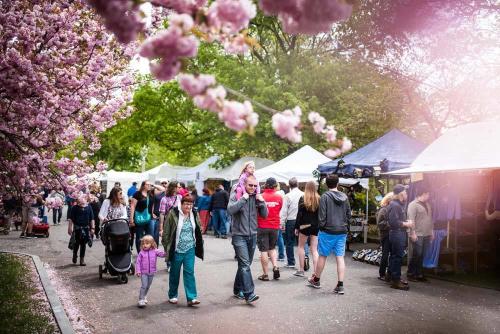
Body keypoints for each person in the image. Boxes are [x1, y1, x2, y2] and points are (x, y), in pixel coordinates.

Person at [227, 175, 268, 304]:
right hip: (239, 235)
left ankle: (237, 289)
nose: (253, 188)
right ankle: (249, 294)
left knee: (245, 265)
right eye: (251, 185)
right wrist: (243, 199)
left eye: (255, 186)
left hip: (253, 235)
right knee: (245, 265)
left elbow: (265, 215)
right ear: (244, 184)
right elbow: (230, 210)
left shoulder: (256, 197)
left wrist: (261, 202)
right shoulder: (237, 194)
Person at [307, 174, 350, 295]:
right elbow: (348, 214)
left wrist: (322, 227)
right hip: (342, 231)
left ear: (326, 184)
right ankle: (340, 285)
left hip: (327, 231)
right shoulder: (344, 197)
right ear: (338, 183)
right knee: (340, 257)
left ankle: (316, 280)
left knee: (323, 256)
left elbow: (322, 216)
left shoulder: (325, 196)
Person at [161, 195, 204, 306]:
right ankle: (173, 295)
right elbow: (166, 231)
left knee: (189, 272)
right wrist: (167, 247)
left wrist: (200, 242)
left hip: (190, 248)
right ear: (182, 203)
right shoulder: (173, 213)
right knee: (175, 273)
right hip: (177, 249)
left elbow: (198, 228)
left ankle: (192, 297)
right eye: (186, 203)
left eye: (190, 204)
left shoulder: (194, 213)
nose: (188, 206)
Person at [388, 184, 414, 290]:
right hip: (397, 233)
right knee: (397, 257)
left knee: (395, 256)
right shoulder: (395, 205)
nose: (407, 193)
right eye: (405, 192)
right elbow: (393, 222)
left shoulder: (397, 204)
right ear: (401, 193)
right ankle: (396, 280)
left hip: (397, 233)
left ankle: (393, 277)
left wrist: (404, 223)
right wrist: (406, 224)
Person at [256, 177, 283, 281]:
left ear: (266, 185)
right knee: (272, 248)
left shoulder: (260, 196)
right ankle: (275, 266)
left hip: (262, 226)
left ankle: (265, 274)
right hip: (275, 226)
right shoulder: (279, 197)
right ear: (275, 185)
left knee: (263, 250)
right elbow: (279, 209)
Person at [294, 181, 320, 277]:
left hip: (304, 225)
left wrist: (296, 227)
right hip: (315, 225)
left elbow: (299, 215)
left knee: (301, 247)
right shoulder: (319, 199)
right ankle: (316, 273)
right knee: (314, 249)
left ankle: (301, 270)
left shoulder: (303, 198)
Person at [407, 187, 433, 282]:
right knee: (417, 254)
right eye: (428, 194)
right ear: (423, 193)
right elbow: (411, 219)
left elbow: (430, 219)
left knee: (422, 254)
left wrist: (432, 231)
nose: (429, 195)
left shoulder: (427, 204)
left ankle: (419, 273)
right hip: (417, 233)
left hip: (426, 233)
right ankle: (410, 273)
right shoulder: (413, 205)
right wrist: (412, 233)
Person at [135, 235, 166, 308]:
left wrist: (167, 252)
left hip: (151, 272)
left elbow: (162, 254)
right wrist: (138, 271)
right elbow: (138, 262)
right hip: (144, 273)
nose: (144, 245)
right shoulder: (141, 253)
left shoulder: (155, 251)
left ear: (151, 244)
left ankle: (144, 295)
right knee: (144, 285)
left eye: (146, 243)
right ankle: (141, 299)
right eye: (143, 243)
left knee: (148, 286)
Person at [280, 177, 303, 268]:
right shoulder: (304, 194)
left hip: (291, 220)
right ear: (297, 184)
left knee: (289, 242)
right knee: (302, 243)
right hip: (302, 221)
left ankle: (291, 262)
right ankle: (304, 260)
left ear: (289, 185)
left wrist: (281, 223)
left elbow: (284, 211)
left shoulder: (287, 196)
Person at [68, 196, 95, 266]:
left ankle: (82, 259)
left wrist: (93, 228)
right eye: (79, 203)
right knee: (76, 243)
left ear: (86, 201)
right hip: (77, 228)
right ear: (77, 202)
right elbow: (71, 219)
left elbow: (92, 218)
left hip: (86, 228)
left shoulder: (89, 207)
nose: (81, 205)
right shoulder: (74, 208)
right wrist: (69, 228)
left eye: (82, 203)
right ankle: (74, 254)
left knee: (83, 244)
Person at [130, 181, 156, 252]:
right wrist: (131, 219)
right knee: (139, 237)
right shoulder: (137, 194)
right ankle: (140, 253)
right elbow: (132, 206)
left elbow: (152, 204)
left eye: (150, 185)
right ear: (143, 185)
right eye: (147, 184)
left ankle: (149, 252)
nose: (149, 186)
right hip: (139, 218)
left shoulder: (151, 194)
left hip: (150, 218)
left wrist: (152, 213)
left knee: (150, 236)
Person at [377, 192, 394, 281]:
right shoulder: (383, 209)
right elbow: (380, 223)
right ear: (389, 200)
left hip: (392, 234)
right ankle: (382, 273)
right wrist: (391, 224)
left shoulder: (393, 209)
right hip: (386, 235)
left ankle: (389, 273)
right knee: (385, 254)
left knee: (392, 255)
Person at [151, 180, 168, 246]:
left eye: (165, 183)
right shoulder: (157, 192)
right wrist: (152, 213)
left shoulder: (169, 193)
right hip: (157, 215)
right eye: (162, 183)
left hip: (166, 216)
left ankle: (166, 248)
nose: (164, 184)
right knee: (156, 234)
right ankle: (155, 248)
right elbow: (152, 203)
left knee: (166, 233)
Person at [275, 183, 286, 262]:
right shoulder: (283, 195)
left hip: (275, 218)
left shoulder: (276, 195)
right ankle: (281, 255)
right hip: (280, 218)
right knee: (280, 237)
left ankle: (280, 255)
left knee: (275, 237)